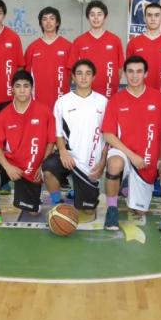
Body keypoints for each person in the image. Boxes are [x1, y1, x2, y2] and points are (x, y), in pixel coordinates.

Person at [0, 70, 55, 229]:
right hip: (11, 163)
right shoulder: (5, 113)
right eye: (18, 86)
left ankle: (33, 199)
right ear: (12, 89)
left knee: (32, 212)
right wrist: (7, 167)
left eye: (26, 86)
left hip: (31, 168)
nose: (22, 90)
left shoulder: (44, 111)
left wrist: (42, 165)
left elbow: (50, 141)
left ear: (32, 89)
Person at [101, 55, 161, 230]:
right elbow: (108, 134)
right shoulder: (116, 99)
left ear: (145, 73)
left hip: (146, 160)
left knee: (138, 212)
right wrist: (131, 155)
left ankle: (126, 186)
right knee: (115, 164)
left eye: (139, 71)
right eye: (130, 71)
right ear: (124, 74)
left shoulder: (158, 98)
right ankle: (112, 209)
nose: (134, 76)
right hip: (124, 152)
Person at [42, 59, 108, 213]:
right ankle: (57, 203)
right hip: (68, 156)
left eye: (88, 74)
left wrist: (103, 161)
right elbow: (57, 133)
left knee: (88, 210)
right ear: (73, 77)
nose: (83, 77)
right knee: (48, 169)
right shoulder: (62, 102)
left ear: (94, 77)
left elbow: (108, 136)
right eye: (79, 73)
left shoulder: (103, 102)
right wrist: (63, 152)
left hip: (90, 161)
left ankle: (77, 190)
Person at [126, 2, 161, 112]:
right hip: (140, 96)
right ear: (145, 18)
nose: (153, 19)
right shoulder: (133, 43)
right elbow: (129, 72)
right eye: (149, 15)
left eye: (156, 15)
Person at [67, 0, 124, 99]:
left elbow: (119, 68)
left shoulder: (115, 40)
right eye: (92, 14)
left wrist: (112, 84)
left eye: (99, 14)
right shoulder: (78, 41)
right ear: (88, 18)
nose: (96, 18)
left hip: (109, 94)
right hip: (86, 96)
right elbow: (72, 69)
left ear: (105, 17)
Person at [24, 6, 72, 110]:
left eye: (52, 18)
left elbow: (72, 76)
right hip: (37, 103)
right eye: (44, 19)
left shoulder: (68, 46)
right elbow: (26, 77)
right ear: (40, 23)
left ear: (57, 22)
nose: (48, 22)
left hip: (62, 103)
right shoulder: (32, 48)